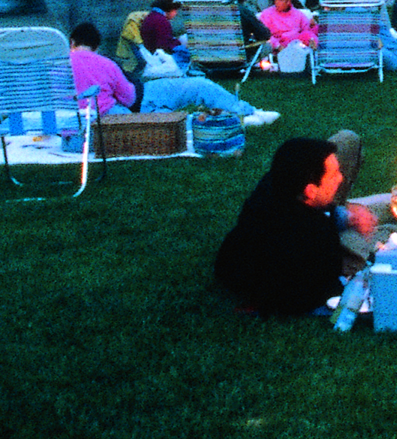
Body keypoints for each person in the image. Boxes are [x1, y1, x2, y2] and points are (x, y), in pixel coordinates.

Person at [215, 135, 379, 315]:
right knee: (396, 237)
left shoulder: (280, 179)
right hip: (325, 256)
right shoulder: (305, 249)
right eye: (333, 175)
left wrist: (348, 215)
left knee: (347, 140)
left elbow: (324, 209)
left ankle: (389, 206)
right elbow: (328, 298)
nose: (340, 179)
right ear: (310, 191)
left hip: (314, 217)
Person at [69, 22, 276, 126]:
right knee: (198, 85)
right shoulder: (104, 64)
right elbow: (130, 97)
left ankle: (239, 116)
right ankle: (248, 112)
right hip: (140, 100)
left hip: (123, 112)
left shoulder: (55, 68)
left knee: (178, 108)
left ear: (72, 43)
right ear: (96, 47)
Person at [257, 0, 318, 65]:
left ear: (288, 1)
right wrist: (278, 45)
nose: (277, 3)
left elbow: (306, 30)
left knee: (315, 30)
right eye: (276, 0)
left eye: (281, 0)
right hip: (278, 44)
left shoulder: (298, 14)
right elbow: (265, 34)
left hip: (297, 44)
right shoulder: (267, 14)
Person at [139, 0, 190, 70]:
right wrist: (178, 43)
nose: (176, 13)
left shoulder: (152, 16)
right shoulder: (161, 21)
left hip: (152, 49)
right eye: (175, 10)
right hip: (160, 55)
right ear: (170, 9)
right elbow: (164, 45)